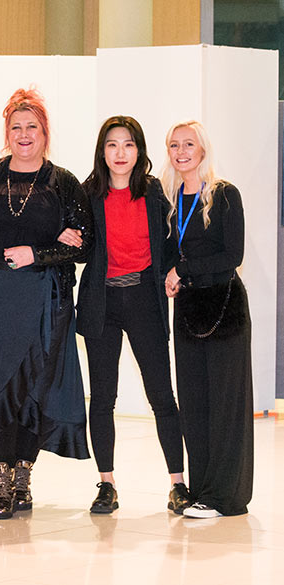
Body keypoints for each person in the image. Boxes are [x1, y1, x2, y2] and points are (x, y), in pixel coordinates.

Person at [0, 87, 92, 519]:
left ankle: (24, 475)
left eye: (32, 127)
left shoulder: (64, 183)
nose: (24, 134)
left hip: (45, 301)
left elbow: (84, 246)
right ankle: (1, 480)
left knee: (33, 390)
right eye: (16, 127)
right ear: (6, 133)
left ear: (45, 133)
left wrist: (41, 252)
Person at [76, 116, 187, 514]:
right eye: (112, 144)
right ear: (101, 151)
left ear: (139, 150)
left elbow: (170, 247)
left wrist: (175, 274)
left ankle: (178, 483)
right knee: (102, 397)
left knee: (162, 395)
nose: (120, 153)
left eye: (128, 144)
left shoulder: (154, 192)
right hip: (101, 303)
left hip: (144, 299)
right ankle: (106, 484)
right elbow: (77, 244)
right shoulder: (87, 193)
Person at [162, 120, 253, 518]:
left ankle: (225, 499)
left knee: (225, 407)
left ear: (203, 150)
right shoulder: (169, 198)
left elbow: (232, 255)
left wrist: (184, 271)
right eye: (173, 145)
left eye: (188, 144)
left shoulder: (224, 194)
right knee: (195, 405)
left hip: (224, 309)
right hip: (187, 313)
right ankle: (202, 492)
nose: (181, 151)